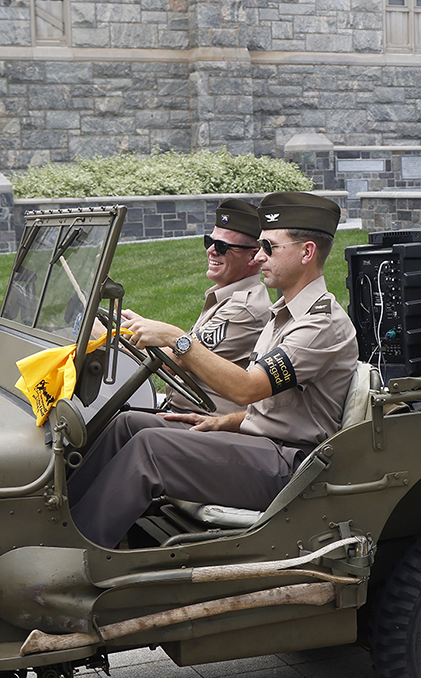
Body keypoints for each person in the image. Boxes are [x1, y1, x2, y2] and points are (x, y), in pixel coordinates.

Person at [67, 192, 359, 547]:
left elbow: (248, 390)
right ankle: (60, 522)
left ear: (306, 252)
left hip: (290, 466)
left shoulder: (320, 325)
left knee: (151, 449)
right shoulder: (284, 313)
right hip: (262, 445)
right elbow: (275, 408)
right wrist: (228, 421)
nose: (260, 256)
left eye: (269, 246)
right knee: (126, 424)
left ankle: (75, 553)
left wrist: (177, 339)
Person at [171, 200, 274, 414]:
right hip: (187, 415)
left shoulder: (244, 308)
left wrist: (112, 336)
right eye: (210, 241)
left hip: (207, 424)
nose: (211, 251)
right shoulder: (228, 296)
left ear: (253, 257)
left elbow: (176, 360)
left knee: (120, 427)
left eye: (222, 246)